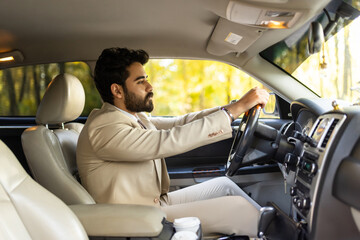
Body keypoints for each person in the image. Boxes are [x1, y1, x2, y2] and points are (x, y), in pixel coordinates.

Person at [77, 47, 269, 236]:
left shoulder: (130, 117)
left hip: (152, 205)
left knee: (224, 186)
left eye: (147, 79)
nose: (150, 87)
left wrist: (232, 108)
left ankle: (266, 231)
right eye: (140, 81)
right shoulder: (104, 128)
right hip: (135, 218)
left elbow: (180, 123)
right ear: (117, 91)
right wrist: (236, 109)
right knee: (236, 209)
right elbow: (168, 140)